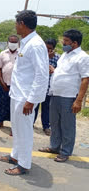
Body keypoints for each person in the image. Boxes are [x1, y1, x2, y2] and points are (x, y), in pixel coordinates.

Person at [0, 10, 49, 175]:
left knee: (25, 131)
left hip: (26, 96)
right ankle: (15, 156)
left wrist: (31, 100)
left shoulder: (36, 44)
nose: (15, 26)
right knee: (17, 128)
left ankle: (24, 164)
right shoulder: (26, 42)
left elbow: (42, 74)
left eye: (16, 23)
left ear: (22, 24)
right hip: (16, 94)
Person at [39, 29, 89, 162]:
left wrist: (78, 101)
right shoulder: (65, 55)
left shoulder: (82, 57)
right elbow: (64, 72)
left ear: (75, 43)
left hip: (69, 96)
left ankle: (66, 151)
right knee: (55, 123)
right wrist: (54, 71)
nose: (63, 43)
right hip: (55, 94)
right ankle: (54, 146)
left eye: (66, 41)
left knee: (67, 125)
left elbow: (85, 80)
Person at [0, 35, 19, 133]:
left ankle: (14, 127)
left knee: (14, 106)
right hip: (5, 83)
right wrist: (1, 82)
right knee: (2, 103)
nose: (13, 44)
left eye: (15, 42)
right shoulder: (3, 53)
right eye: (11, 42)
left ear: (18, 43)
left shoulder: (21, 54)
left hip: (17, 85)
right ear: (7, 43)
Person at [34, 39, 60, 136]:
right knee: (34, 107)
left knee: (46, 108)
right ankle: (31, 123)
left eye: (50, 49)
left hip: (49, 88)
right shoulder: (39, 56)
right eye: (46, 48)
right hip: (38, 86)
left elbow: (60, 71)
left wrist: (54, 71)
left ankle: (46, 126)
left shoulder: (58, 58)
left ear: (53, 49)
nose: (48, 51)